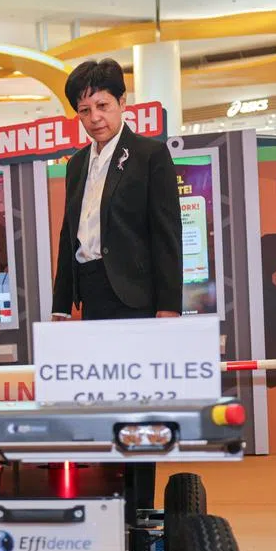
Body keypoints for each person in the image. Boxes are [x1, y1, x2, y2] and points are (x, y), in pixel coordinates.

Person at [51, 58, 183, 514]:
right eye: (84, 111)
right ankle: (107, 501)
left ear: (123, 102)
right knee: (102, 404)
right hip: (92, 296)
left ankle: (139, 507)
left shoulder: (149, 155)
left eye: (103, 106)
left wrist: (168, 307)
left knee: (138, 407)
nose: (94, 119)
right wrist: (61, 305)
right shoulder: (75, 165)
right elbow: (69, 237)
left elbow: (167, 235)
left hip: (137, 300)